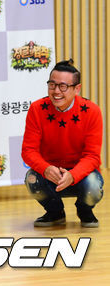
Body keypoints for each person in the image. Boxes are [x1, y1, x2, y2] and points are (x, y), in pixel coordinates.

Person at [22, 59, 103, 227]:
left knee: (94, 185)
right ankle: (55, 213)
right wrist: (45, 168)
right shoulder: (37, 109)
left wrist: (73, 174)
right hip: (50, 174)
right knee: (31, 179)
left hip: (81, 175)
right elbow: (28, 151)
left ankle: (85, 211)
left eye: (63, 86)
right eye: (52, 85)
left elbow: (93, 156)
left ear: (77, 89)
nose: (56, 91)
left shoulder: (92, 111)